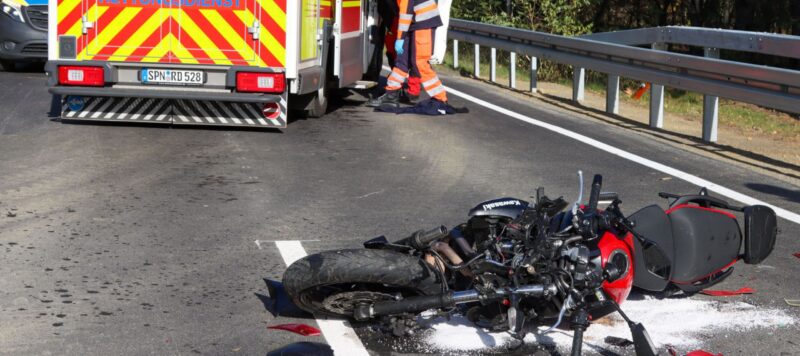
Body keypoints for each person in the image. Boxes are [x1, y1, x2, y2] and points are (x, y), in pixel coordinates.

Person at [368, 0, 446, 107]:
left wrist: (400, 38)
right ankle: (391, 94)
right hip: (415, 21)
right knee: (402, 60)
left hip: (423, 22)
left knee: (419, 62)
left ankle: (440, 98)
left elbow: (405, 13)